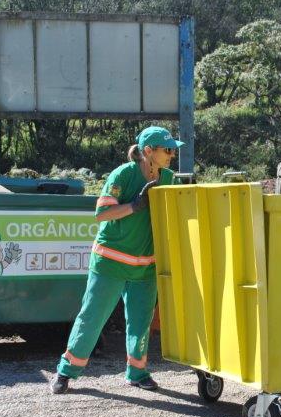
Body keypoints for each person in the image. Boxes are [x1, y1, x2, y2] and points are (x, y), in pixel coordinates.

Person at [50, 126, 183, 394]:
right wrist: (135, 204)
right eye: (167, 150)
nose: (172, 154)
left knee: (141, 322)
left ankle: (137, 372)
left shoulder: (169, 178)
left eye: (173, 149)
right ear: (148, 151)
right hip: (110, 263)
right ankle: (66, 371)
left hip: (145, 266)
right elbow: (101, 214)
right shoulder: (123, 174)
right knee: (92, 317)